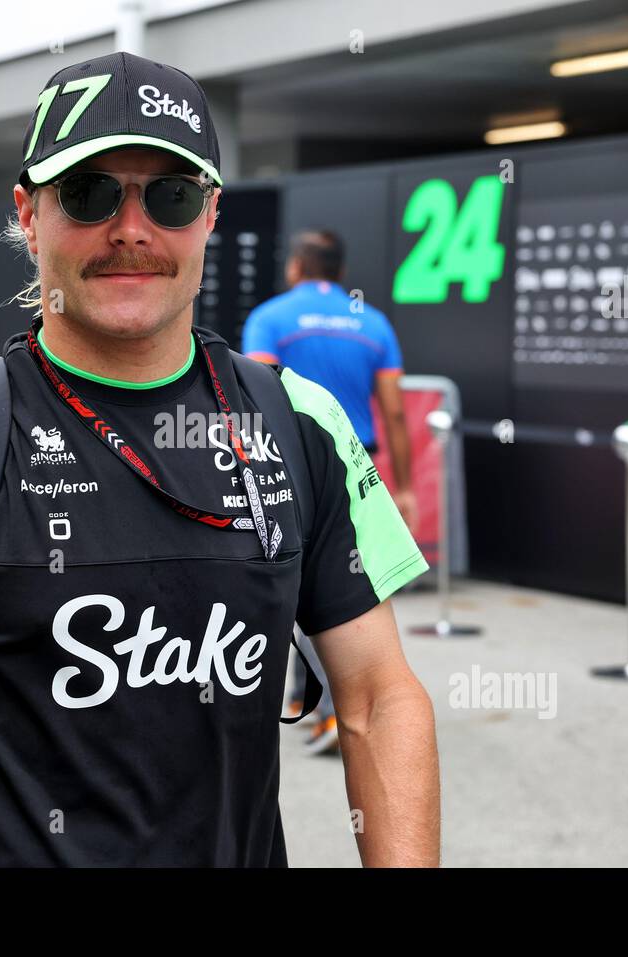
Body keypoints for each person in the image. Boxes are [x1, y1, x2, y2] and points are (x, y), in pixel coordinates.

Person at [0, 51, 438, 867]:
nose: (131, 230)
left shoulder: (298, 420)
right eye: (89, 192)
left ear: (210, 213)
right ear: (28, 213)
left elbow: (380, 700)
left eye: (169, 195)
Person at [243, 231, 418, 755]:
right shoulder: (375, 322)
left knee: (304, 587)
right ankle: (306, 697)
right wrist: (406, 486)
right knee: (347, 586)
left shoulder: (271, 316)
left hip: (285, 464)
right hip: (353, 463)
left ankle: (333, 712)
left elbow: (254, 394)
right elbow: (393, 410)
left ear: (297, 267)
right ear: (340, 273)